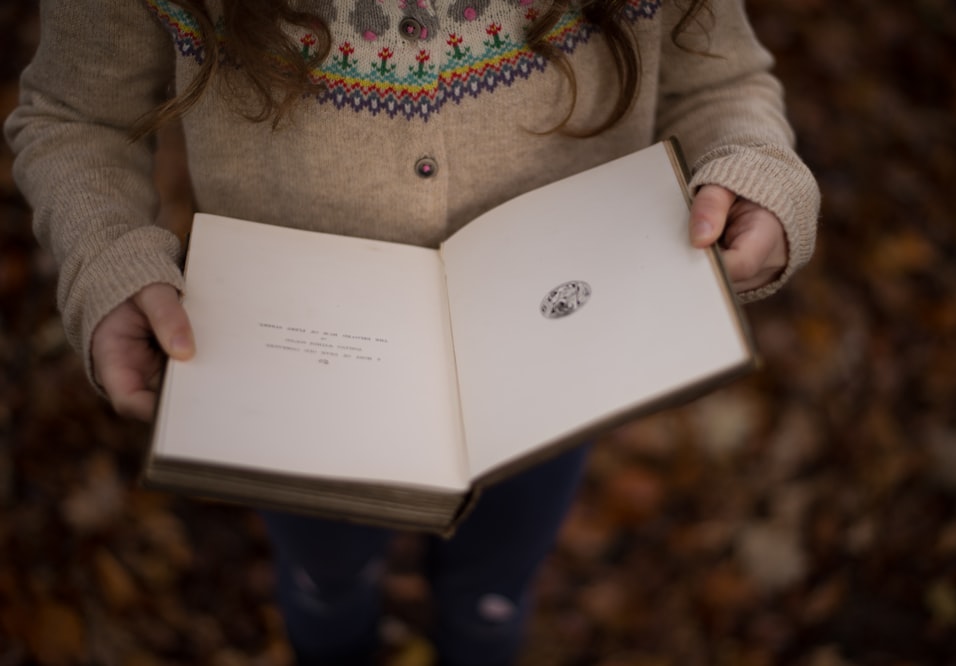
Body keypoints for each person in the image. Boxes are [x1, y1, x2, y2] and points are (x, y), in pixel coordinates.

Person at [5, 0, 819, 663]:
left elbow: (722, 79)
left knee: (495, 592)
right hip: (296, 382)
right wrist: (107, 255)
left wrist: (753, 164)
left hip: (555, 367)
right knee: (323, 579)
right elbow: (75, 114)